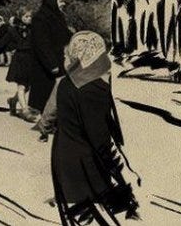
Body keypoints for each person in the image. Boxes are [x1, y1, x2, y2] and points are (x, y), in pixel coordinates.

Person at [52, 31, 140, 224]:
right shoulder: (93, 88)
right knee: (99, 215)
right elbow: (98, 136)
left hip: (65, 158)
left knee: (80, 216)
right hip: (87, 164)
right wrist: (117, 169)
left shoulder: (67, 83)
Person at [30, 0, 72, 140]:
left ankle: (50, 123)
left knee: (56, 92)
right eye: (60, 1)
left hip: (58, 59)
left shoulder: (58, 17)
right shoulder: (40, 19)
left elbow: (65, 35)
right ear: (52, 1)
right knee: (46, 92)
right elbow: (42, 44)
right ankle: (46, 124)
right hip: (45, 62)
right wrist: (51, 64)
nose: (63, 4)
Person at [4, 8, 39, 122]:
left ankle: (13, 101)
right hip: (19, 59)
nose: (28, 19)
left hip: (31, 59)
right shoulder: (14, 29)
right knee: (21, 86)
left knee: (27, 86)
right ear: (20, 17)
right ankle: (25, 110)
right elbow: (5, 42)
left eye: (30, 17)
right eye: (26, 16)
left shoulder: (34, 29)